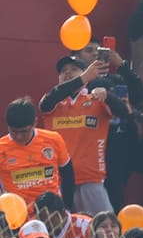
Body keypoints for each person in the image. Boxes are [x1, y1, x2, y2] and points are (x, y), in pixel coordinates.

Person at [38, 56, 129, 215]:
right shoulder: (52, 101)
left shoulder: (96, 100)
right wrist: (82, 78)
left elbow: (123, 112)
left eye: (74, 69)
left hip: (90, 180)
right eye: (63, 71)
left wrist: (107, 95)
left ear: (85, 73)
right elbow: (45, 104)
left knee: (104, 230)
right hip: (57, 183)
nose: (68, 73)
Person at [0, 98, 71, 204]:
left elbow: (67, 175)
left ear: (35, 123)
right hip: (17, 214)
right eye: (13, 131)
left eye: (24, 131)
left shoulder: (53, 140)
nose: (19, 137)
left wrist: (68, 205)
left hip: (51, 212)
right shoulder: (2, 147)